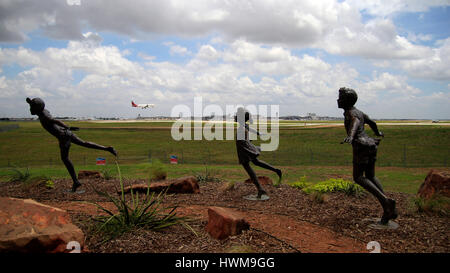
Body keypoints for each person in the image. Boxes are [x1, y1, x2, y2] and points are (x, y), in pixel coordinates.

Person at [26, 97, 117, 192]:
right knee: (84, 143)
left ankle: (76, 181)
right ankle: (107, 149)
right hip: (66, 133)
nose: (30, 109)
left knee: (65, 158)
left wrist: (68, 127)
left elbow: (55, 121)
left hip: (63, 136)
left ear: (37, 108)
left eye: (31, 107)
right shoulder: (44, 111)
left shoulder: (44, 116)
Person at [337, 87, 397, 224]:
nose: (337, 100)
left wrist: (350, 136)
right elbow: (372, 123)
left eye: (340, 98)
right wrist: (378, 133)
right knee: (370, 176)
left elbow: (355, 123)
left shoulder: (351, 113)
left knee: (358, 177)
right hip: (371, 144)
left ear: (346, 101)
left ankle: (385, 201)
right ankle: (387, 206)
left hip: (361, 146)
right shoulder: (359, 111)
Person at [235, 107, 282, 199]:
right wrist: (258, 133)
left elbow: (243, 141)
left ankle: (260, 189)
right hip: (246, 148)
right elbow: (248, 133)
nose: (234, 117)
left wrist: (249, 146)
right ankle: (276, 170)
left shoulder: (241, 128)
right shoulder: (244, 125)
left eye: (236, 116)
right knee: (256, 162)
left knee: (248, 168)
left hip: (244, 150)